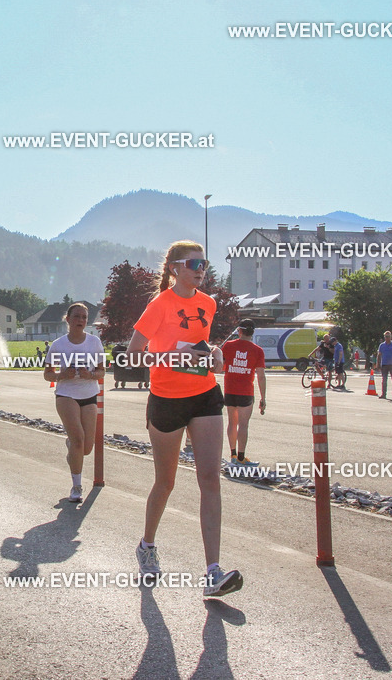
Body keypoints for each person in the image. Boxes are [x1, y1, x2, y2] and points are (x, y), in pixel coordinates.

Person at [128, 240, 242, 598]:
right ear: (175, 267)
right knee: (166, 482)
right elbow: (133, 357)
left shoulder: (208, 303)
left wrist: (215, 357)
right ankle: (147, 546)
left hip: (205, 395)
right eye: (194, 263)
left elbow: (201, 348)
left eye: (204, 263)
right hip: (166, 400)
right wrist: (176, 360)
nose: (200, 269)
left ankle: (212, 572)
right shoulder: (158, 305)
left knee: (211, 479)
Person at [44, 303, 105, 503]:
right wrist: (62, 375)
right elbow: (47, 374)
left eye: (84, 318)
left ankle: (71, 447)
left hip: (89, 395)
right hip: (66, 395)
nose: (81, 321)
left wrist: (91, 375)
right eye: (77, 317)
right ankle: (76, 486)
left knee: (86, 448)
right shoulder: (58, 345)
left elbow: (102, 371)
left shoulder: (94, 342)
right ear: (68, 319)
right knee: (79, 439)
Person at [221, 319, 266, 465]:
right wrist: (263, 398)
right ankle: (241, 457)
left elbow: (220, 364)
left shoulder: (228, 346)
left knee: (232, 423)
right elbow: (261, 375)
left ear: (239, 331)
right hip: (245, 391)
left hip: (230, 389)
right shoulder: (257, 350)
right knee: (243, 425)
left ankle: (233, 454)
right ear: (252, 333)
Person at [375, 331, 392, 399]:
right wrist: (378, 364)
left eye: (388, 336)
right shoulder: (382, 345)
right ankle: (384, 394)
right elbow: (379, 355)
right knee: (384, 380)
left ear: (391, 337)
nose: (387, 338)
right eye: (386, 337)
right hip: (384, 364)